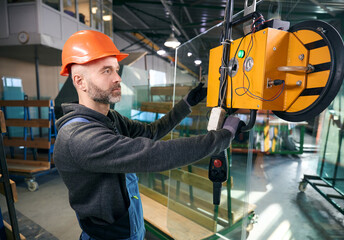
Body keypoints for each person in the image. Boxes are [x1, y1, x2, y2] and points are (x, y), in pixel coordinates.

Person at [54, 30, 242, 240]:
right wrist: (222, 137)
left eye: (116, 70)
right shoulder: (79, 137)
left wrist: (187, 103)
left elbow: (151, 132)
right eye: (106, 71)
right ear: (80, 82)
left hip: (130, 226)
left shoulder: (111, 118)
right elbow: (154, 154)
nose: (118, 78)